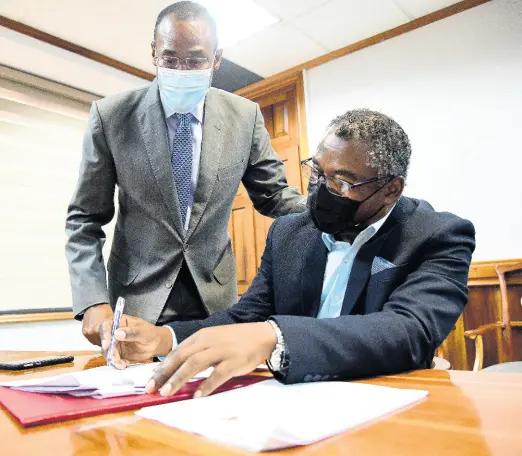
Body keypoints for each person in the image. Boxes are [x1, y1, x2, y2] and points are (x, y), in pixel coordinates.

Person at [105, 109, 476, 399]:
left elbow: (409, 330)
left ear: (391, 189)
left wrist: (275, 336)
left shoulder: (438, 234)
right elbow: (245, 317)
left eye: (342, 182)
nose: (321, 190)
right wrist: (164, 339)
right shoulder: (289, 231)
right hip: (289, 396)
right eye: (317, 172)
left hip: (386, 396)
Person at [65, 1, 306, 347]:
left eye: (195, 60)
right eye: (170, 58)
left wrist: (331, 208)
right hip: (137, 300)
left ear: (217, 58)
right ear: (153, 53)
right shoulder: (111, 117)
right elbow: (84, 219)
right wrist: (92, 299)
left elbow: (274, 197)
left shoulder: (244, 117)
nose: (181, 69)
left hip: (215, 301)